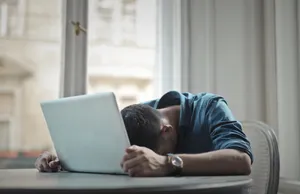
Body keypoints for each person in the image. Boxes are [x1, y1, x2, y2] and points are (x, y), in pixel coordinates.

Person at [35, 91, 253, 177]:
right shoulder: (140, 113)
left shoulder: (211, 107)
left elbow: (241, 160)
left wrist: (165, 162)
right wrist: (60, 158)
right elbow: (103, 147)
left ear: (167, 130)